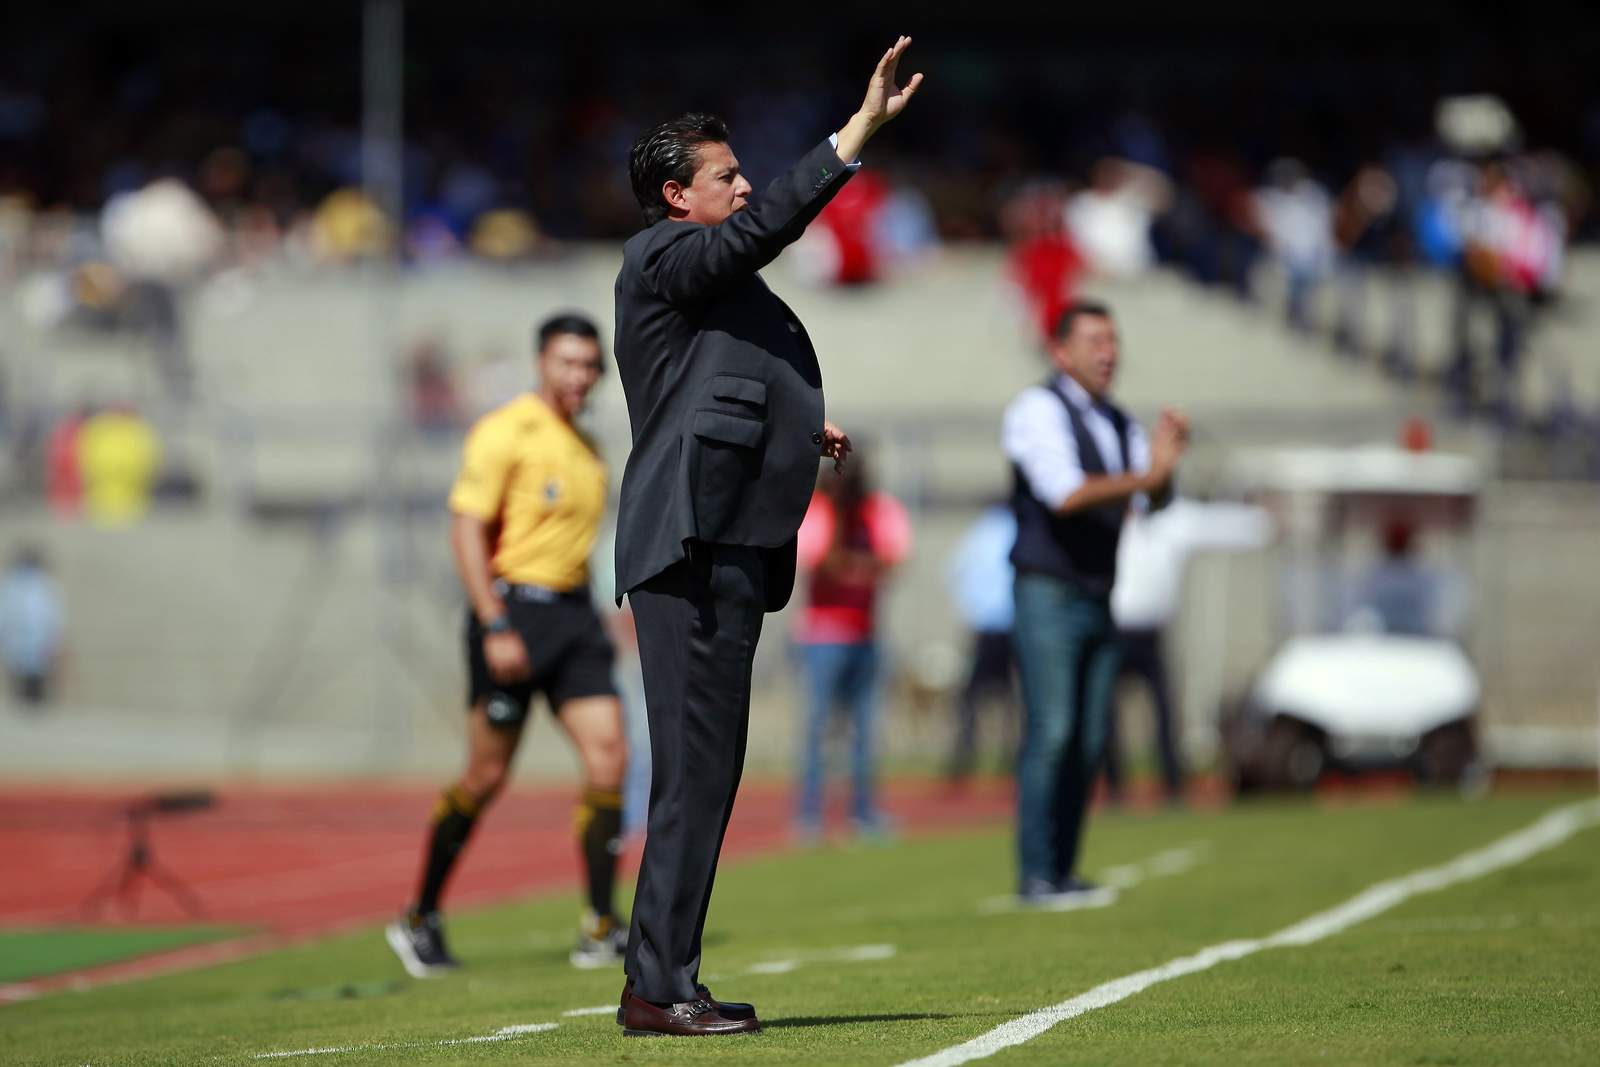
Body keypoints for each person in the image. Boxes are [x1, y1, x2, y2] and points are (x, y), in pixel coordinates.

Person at [610, 39, 922, 1037]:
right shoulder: (662, 255)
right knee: (691, 775)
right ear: (675, 197)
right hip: (689, 545)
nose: (744, 187)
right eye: (726, 175)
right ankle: (656, 986)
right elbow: (757, 238)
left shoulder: (705, 278)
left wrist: (799, 428)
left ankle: (668, 977)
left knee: (710, 774)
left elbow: (723, 384)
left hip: (728, 542)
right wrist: (854, 134)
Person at [386, 312, 629, 978]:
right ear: (541, 363)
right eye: (567, 362)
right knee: (486, 775)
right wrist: (495, 622)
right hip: (515, 610)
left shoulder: (587, 447)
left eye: (589, 365)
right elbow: (466, 529)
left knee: (609, 755)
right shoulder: (504, 432)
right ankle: (420, 916)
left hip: (575, 615)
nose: (579, 375)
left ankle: (600, 924)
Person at [1001, 299, 1187, 903]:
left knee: (1088, 739)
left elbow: (1151, 500)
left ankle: (1063, 868)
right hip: (1048, 591)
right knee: (1053, 730)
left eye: (1113, 340)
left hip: (1098, 593)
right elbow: (1065, 493)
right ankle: (1036, 872)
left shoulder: (1117, 421)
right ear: (1060, 351)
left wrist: (1166, 468)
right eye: (1094, 341)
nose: (1108, 353)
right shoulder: (1036, 409)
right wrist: (1148, 477)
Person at [1105, 498, 1273, 804]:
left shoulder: (1172, 521)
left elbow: (1217, 526)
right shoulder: (1105, 522)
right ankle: (1115, 786)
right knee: (1105, 714)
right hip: (1112, 631)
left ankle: (1171, 784)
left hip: (1151, 633)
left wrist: (1263, 520)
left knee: (1164, 711)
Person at [792, 455, 912, 839]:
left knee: (865, 728)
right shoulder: (818, 508)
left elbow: (893, 559)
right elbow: (821, 562)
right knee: (817, 727)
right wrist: (841, 520)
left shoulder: (877, 508)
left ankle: (863, 812)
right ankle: (809, 814)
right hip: (822, 635)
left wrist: (855, 565)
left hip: (865, 633)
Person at [944, 502, 1019, 785]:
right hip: (1012, 625)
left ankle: (963, 759)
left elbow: (955, 571)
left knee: (972, 698)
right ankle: (1010, 760)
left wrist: (972, 607)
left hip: (986, 626)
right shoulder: (1016, 530)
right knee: (1013, 700)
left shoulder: (980, 533)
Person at [0, 546, 64, 707]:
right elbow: (5, 613)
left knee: (37, 679)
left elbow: (52, 616)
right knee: (19, 679)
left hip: (38, 641)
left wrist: (53, 640)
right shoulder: (11, 584)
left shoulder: (45, 585)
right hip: (17, 640)